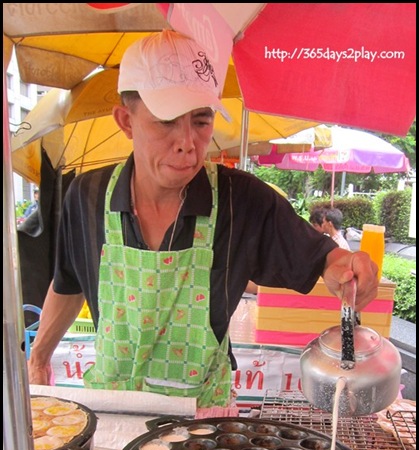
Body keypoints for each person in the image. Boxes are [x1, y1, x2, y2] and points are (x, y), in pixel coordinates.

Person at [28, 30, 378, 409]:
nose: (187, 143)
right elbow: (68, 284)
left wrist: (347, 269)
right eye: (166, 121)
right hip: (112, 408)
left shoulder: (239, 199)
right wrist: (39, 359)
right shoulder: (87, 195)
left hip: (203, 423)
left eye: (200, 121)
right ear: (126, 121)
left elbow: (323, 259)